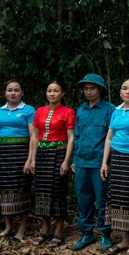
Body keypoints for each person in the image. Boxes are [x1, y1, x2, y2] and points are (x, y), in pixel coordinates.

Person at [0, 79, 38, 239]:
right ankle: (8, 226)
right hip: (3, 155)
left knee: (21, 190)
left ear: (22, 93)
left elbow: (33, 136)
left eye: (16, 90)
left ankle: (22, 227)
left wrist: (30, 158)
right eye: (9, 90)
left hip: (20, 154)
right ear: (5, 92)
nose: (12, 93)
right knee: (4, 190)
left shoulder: (28, 110)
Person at [71, 74, 117, 252]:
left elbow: (111, 137)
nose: (88, 92)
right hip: (82, 161)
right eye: (85, 88)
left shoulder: (109, 110)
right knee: (83, 198)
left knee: (102, 199)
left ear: (100, 90)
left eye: (92, 88)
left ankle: (105, 234)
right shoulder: (80, 110)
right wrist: (75, 159)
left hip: (100, 162)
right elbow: (77, 136)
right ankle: (87, 232)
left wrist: (108, 162)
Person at [100, 79, 129, 255]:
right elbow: (109, 137)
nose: (128, 91)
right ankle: (124, 240)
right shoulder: (116, 111)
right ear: (119, 92)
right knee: (117, 200)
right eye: (124, 88)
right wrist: (104, 162)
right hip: (115, 158)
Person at [32, 81, 76, 246]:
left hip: (59, 153)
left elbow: (71, 137)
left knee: (58, 191)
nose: (52, 94)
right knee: (42, 191)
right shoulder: (40, 111)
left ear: (62, 93)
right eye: (49, 90)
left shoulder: (68, 112)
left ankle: (58, 230)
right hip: (42, 154)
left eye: (56, 91)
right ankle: (45, 229)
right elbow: (35, 136)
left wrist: (66, 160)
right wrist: (33, 158)